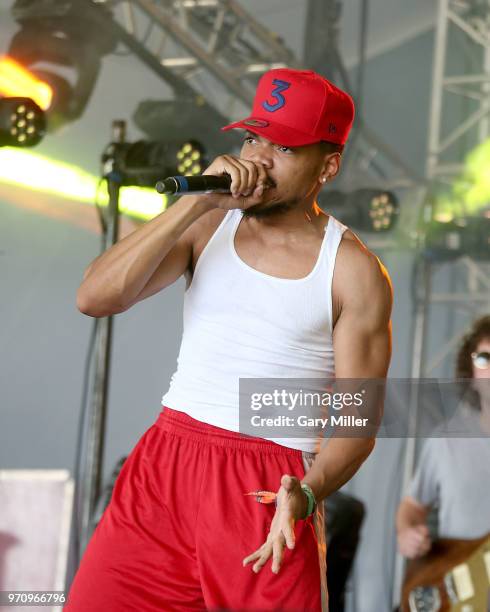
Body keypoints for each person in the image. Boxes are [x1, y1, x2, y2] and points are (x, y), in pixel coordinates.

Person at [67, 68, 393, 612]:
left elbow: (359, 422)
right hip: (165, 466)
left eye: (284, 146)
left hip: (269, 486)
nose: (258, 159)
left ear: (328, 165)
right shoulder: (205, 224)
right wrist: (195, 203)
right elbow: (95, 298)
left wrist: (309, 491)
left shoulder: (353, 270)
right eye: (252, 137)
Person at [396, 315, 490, 559]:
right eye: (484, 358)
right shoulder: (445, 442)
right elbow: (412, 507)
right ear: (470, 373)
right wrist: (407, 533)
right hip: (461, 590)